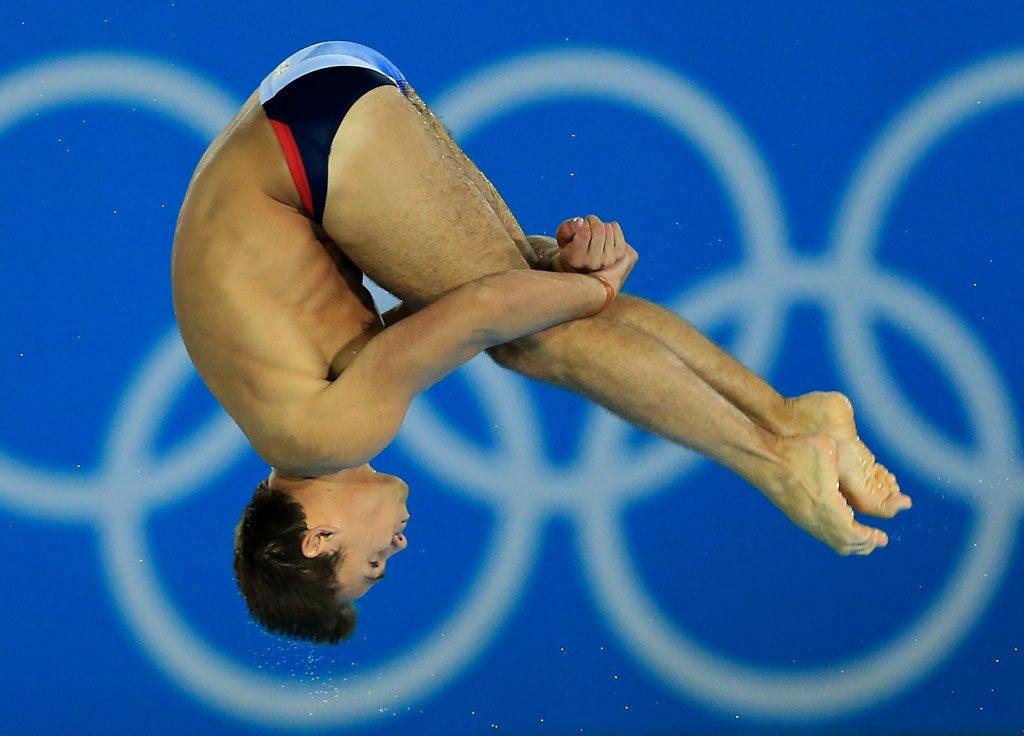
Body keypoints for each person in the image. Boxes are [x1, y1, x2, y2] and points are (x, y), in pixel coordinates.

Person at [172, 41, 911, 645]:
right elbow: (471, 304)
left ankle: (781, 463)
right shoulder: (291, 415)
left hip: (311, 141)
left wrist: (596, 286)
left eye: (372, 562)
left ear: (316, 536)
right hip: (312, 106)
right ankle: (793, 420)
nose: (397, 548)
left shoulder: (330, 432)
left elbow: (489, 313)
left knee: (532, 340)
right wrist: (561, 275)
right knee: (534, 317)